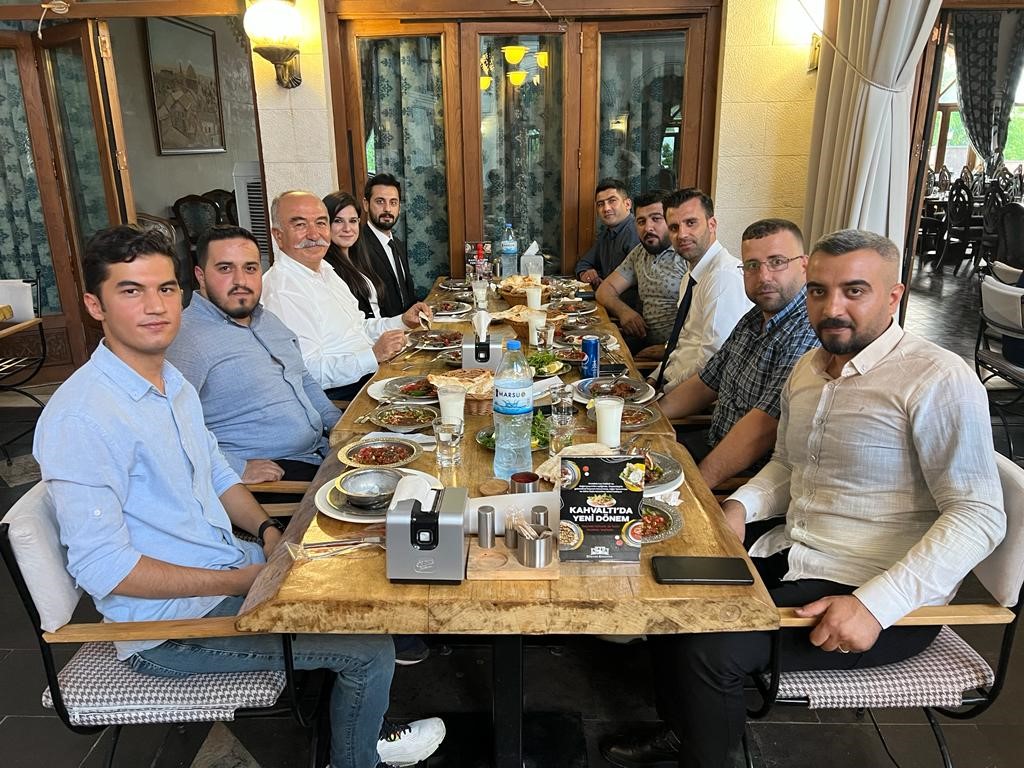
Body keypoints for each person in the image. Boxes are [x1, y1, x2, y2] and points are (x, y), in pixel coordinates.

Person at [33, 225, 447, 768]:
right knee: (369, 649)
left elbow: (216, 474)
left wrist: (269, 533)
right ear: (95, 305)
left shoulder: (169, 383)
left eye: (165, 288)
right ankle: (358, 755)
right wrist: (243, 580)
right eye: (131, 291)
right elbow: (104, 570)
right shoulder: (83, 417)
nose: (155, 306)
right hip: (172, 630)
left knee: (367, 571)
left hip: (232, 565)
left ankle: (356, 729)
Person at [600, 229, 1005, 768]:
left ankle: (708, 751)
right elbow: (790, 465)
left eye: (854, 291)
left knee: (706, 644)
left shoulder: (937, 379)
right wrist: (740, 506)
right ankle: (687, 731)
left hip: (881, 596)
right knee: (666, 580)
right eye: (818, 291)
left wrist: (874, 605)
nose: (832, 308)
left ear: (893, 296)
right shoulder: (808, 369)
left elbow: (979, 516)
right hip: (793, 551)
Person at [165, 225, 339, 484]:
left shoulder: (267, 320)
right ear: (200, 276)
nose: (241, 281)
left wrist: (339, 425)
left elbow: (303, 379)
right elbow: (166, 426)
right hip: (279, 475)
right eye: (225, 268)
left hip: (322, 451)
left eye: (250, 268)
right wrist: (236, 467)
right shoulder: (187, 338)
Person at [659, 219, 820, 489]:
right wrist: (648, 418)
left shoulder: (808, 330)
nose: (764, 276)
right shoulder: (754, 317)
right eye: (752, 265)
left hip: (744, 480)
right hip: (710, 442)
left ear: (804, 265)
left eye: (777, 262)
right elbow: (706, 382)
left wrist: (696, 487)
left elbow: (763, 427)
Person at [261, 190, 432, 401]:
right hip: (344, 396)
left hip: (370, 373)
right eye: (300, 225)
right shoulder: (282, 290)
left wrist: (402, 321)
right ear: (278, 235)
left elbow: (359, 327)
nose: (314, 234)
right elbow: (306, 373)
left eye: (321, 223)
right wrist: (372, 356)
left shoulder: (325, 270)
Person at [647, 188, 751, 393]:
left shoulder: (723, 278)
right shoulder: (691, 276)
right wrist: (652, 380)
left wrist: (662, 394)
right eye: (674, 227)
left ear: (712, 224)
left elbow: (712, 365)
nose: (682, 234)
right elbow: (681, 344)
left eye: (691, 223)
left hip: (690, 398)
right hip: (668, 384)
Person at [595, 189, 686, 358]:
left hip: (677, 354)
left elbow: (706, 325)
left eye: (656, 219)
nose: (648, 227)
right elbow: (604, 290)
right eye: (641, 221)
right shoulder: (639, 253)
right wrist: (624, 312)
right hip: (642, 341)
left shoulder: (686, 256)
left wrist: (669, 349)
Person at [324, 190, 389, 319]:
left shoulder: (360, 257)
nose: (347, 228)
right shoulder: (326, 269)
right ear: (325, 224)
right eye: (338, 221)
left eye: (353, 221)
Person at [362, 173, 418, 317]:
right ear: (366, 204)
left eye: (393, 202)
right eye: (380, 202)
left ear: (399, 207)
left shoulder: (397, 244)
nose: (387, 209)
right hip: (382, 329)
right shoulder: (358, 246)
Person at [575, 179, 641, 299]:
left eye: (612, 201)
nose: (606, 208)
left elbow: (636, 283)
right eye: (600, 204)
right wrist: (586, 273)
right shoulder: (606, 234)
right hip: (605, 299)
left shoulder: (637, 232)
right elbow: (583, 263)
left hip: (625, 305)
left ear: (627, 204)